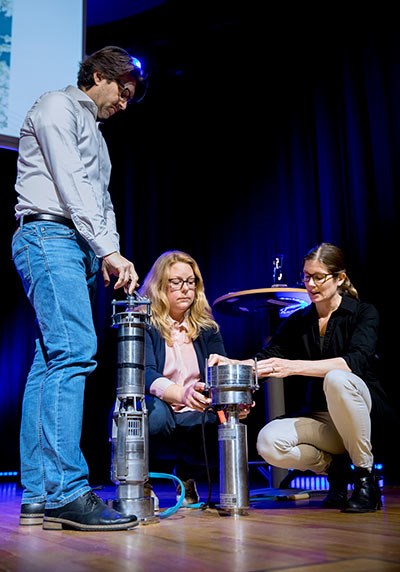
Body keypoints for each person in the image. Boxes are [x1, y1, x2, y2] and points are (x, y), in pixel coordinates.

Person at [11, 46, 148, 531]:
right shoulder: (56, 106)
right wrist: (107, 249)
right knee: (74, 353)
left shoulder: (98, 135)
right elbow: (70, 183)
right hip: (49, 235)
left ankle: (39, 494)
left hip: (75, 246)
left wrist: (109, 252)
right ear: (96, 75)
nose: (125, 103)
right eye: (122, 91)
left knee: (49, 362)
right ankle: (67, 492)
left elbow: (100, 199)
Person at [209, 242, 390, 513]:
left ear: (339, 278)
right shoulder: (300, 320)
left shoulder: (363, 313)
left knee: (337, 378)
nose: (311, 284)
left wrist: (293, 366)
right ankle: (335, 471)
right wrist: (235, 363)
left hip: (364, 414)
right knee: (268, 442)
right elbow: (270, 357)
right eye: (307, 276)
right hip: (325, 422)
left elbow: (353, 363)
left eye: (319, 277)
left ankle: (365, 478)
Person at [138, 250, 251, 505]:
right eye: (176, 282)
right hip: (158, 402)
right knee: (154, 417)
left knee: (220, 419)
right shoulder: (143, 322)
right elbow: (145, 375)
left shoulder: (206, 327)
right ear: (159, 285)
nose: (186, 289)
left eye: (191, 282)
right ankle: (142, 481)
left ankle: (188, 477)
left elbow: (220, 370)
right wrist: (182, 395)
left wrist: (235, 399)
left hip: (195, 405)